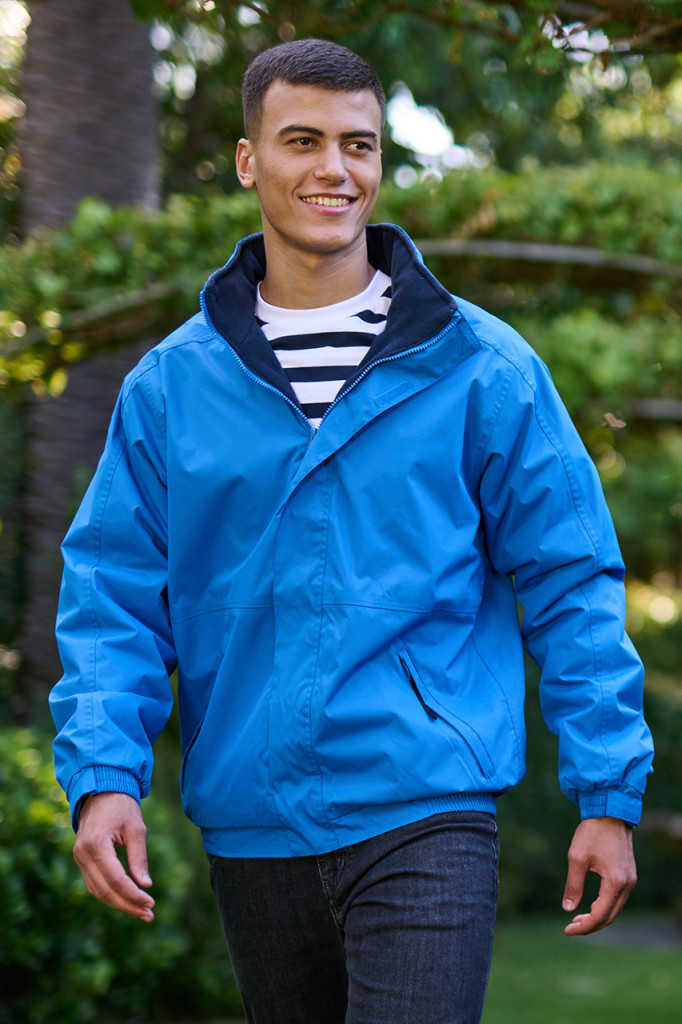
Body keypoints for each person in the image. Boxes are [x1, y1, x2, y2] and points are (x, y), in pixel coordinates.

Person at [50, 38, 654, 1024]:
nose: (334, 169)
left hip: (427, 807)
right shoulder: (171, 386)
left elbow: (572, 577)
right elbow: (113, 592)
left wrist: (606, 788)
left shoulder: (482, 367)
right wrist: (103, 773)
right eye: (302, 141)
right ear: (248, 160)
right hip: (252, 822)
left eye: (358, 144)